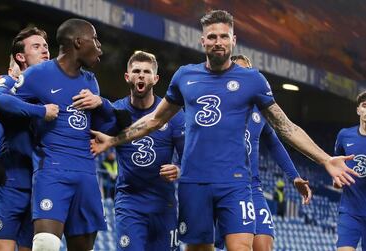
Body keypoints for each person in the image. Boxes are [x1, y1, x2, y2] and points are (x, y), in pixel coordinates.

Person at [91, 10, 357, 251]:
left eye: (223, 36)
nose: (218, 41)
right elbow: (153, 121)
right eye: (212, 36)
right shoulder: (185, 77)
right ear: (202, 41)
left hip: (235, 182)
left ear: (233, 40)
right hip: (194, 182)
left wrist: (325, 159)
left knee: (242, 247)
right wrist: (113, 140)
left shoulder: (252, 80)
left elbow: (284, 126)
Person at [0, 18, 108, 251]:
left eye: (44, 45)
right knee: (44, 244)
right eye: (94, 39)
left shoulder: (90, 81)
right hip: (46, 171)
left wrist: (101, 103)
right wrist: (41, 111)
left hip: (86, 173)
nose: (99, 46)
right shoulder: (34, 76)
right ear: (78, 42)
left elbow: (108, 125)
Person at [214, 54, 311, 251]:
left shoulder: (260, 112)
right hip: (222, 187)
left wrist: (294, 177)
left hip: (253, 189)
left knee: (263, 245)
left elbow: (275, 145)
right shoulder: (214, 107)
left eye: (246, 72)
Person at [108, 51, 184, 251]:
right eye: (136, 71)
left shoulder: (173, 115)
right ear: (127, 77)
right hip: (129, 203)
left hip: (164, 205)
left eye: (146, 72)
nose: (141, 75)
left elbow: (189, 158)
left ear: (155, 78)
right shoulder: (115, 112)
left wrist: (178, 169)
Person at [0, 28, 57, 251]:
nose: (45, 50)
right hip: (10, 180)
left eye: (46, 46)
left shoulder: (53, 89)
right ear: (20, 57)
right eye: (36, 46)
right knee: (1, 247)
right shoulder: (9, 84)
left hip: (42, 184)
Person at [334, 91, 366, 251]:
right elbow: (336, 164)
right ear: (359, 110)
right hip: (350, 210)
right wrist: (336, 180)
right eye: (365, 106)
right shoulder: (345, 135)